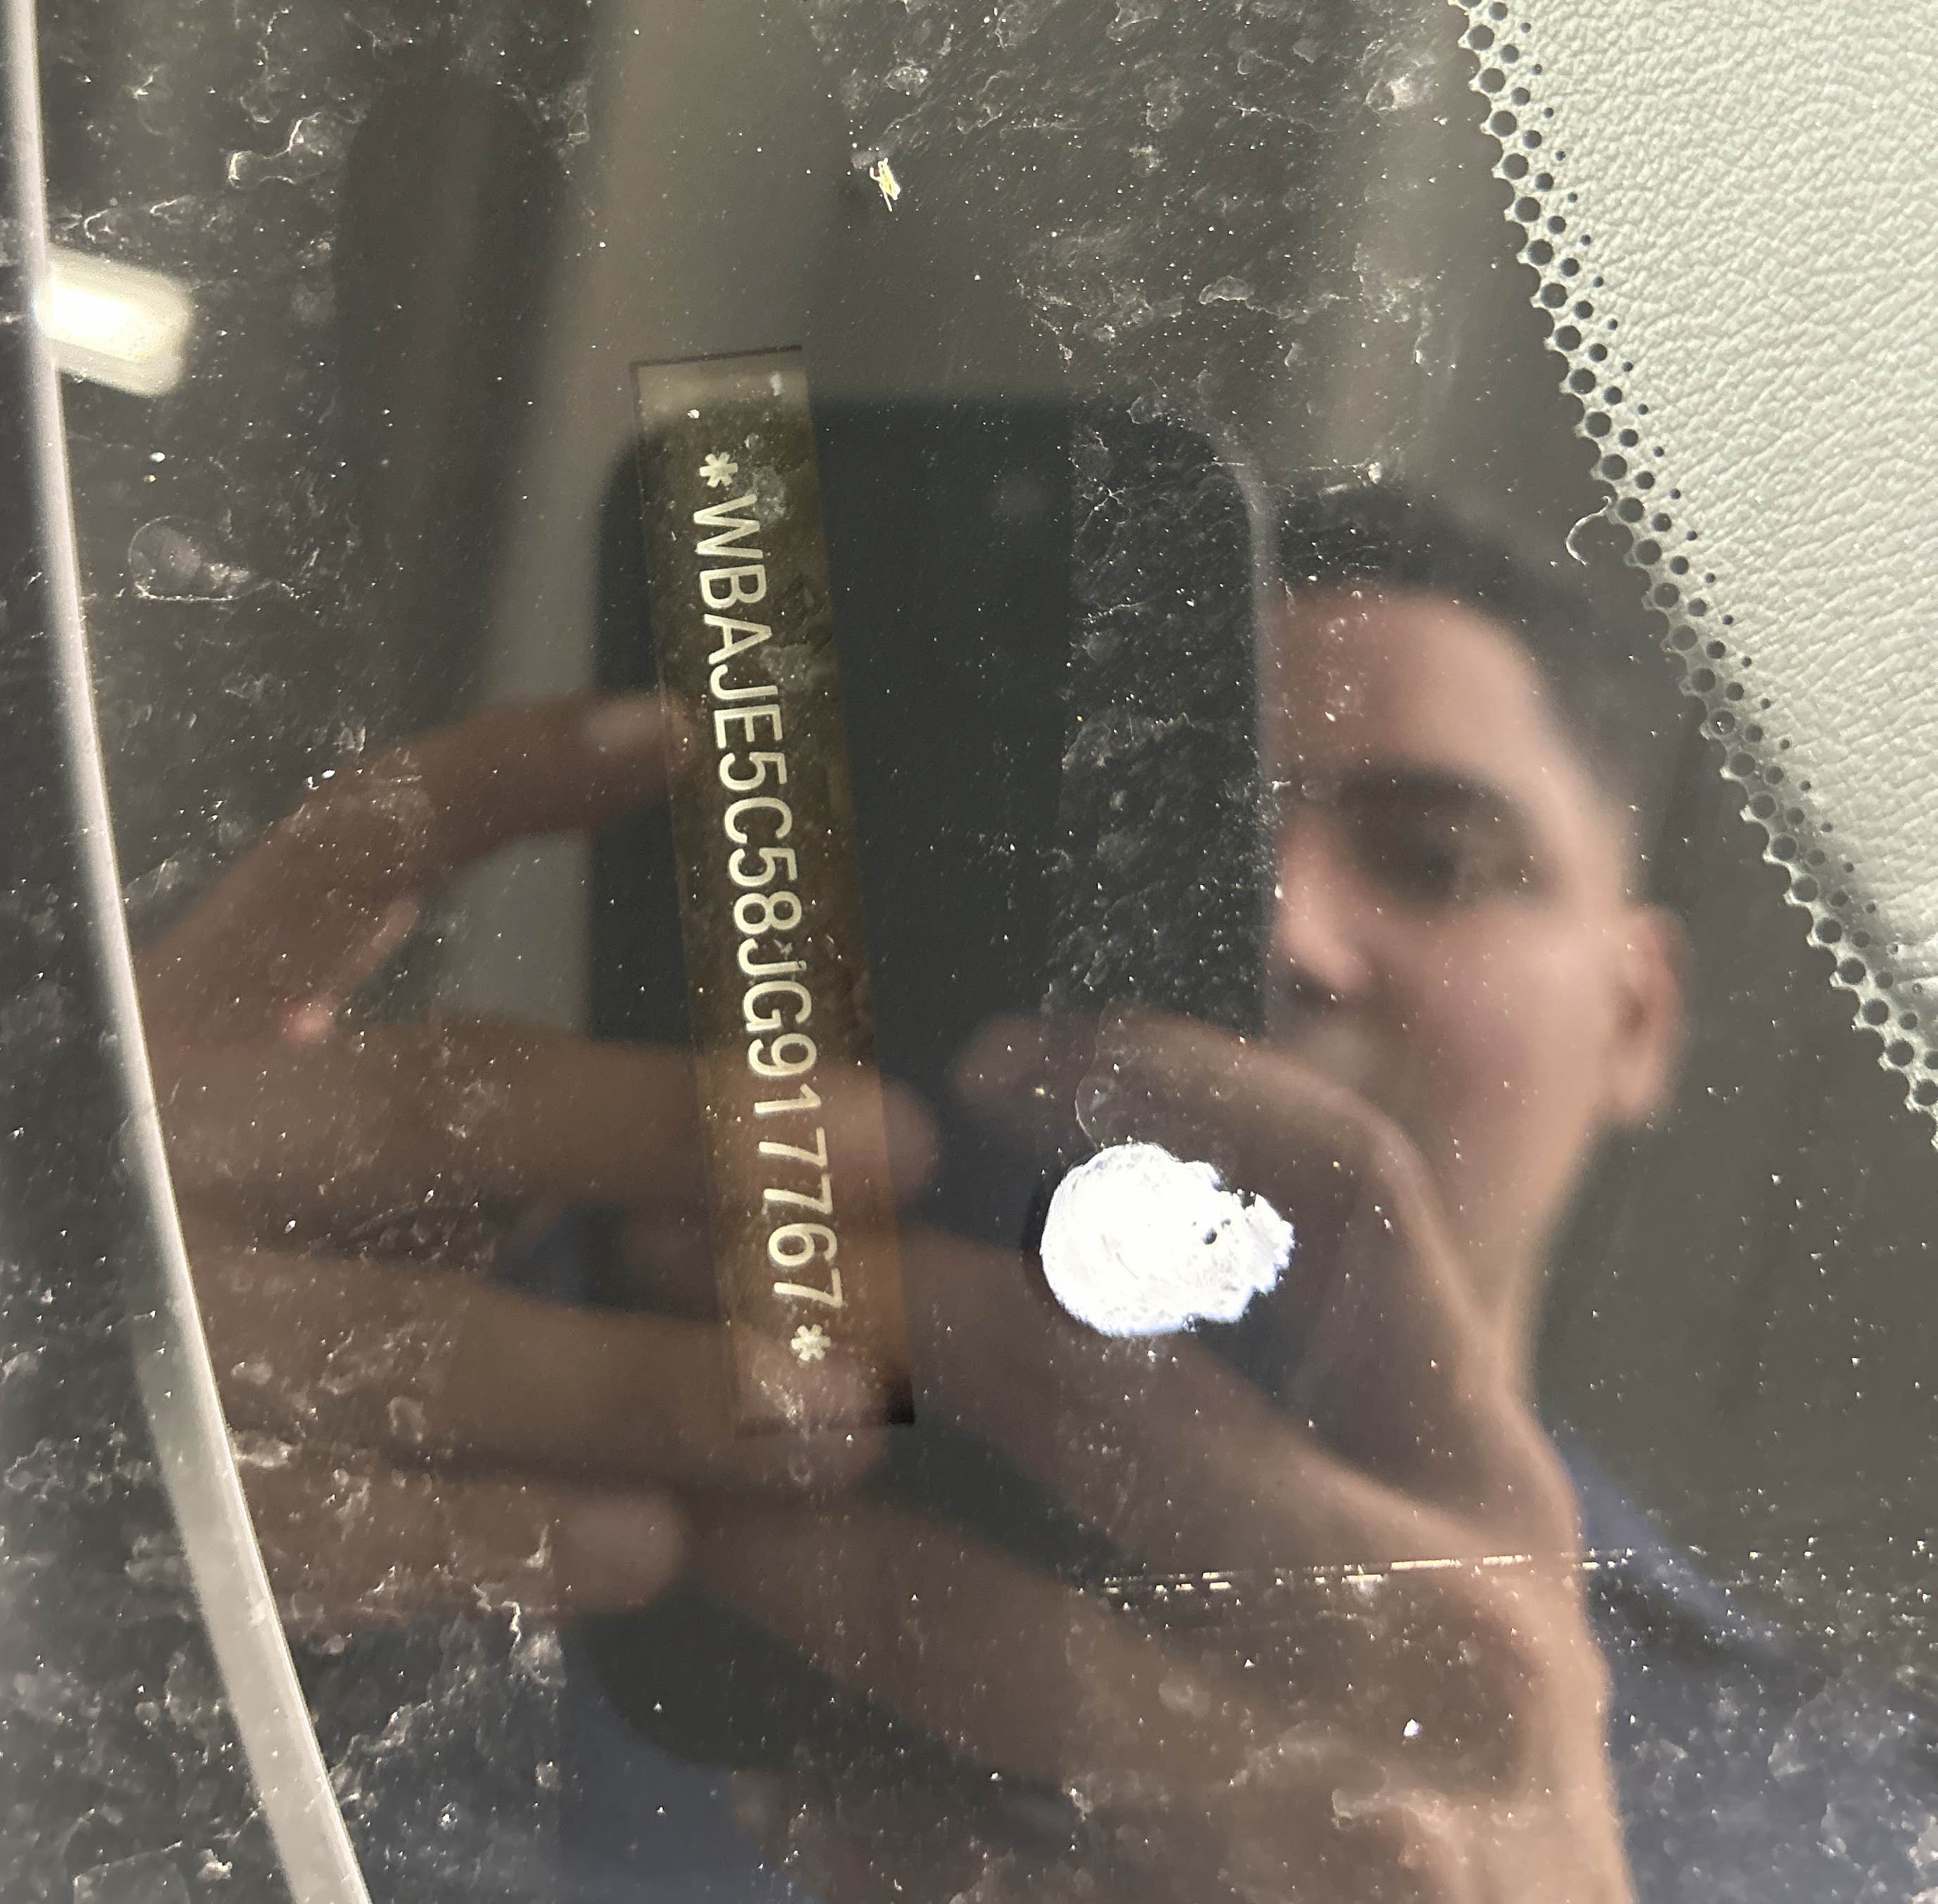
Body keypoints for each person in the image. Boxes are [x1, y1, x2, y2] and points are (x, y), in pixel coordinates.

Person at [143, 480, 1938, 1899]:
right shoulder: (436, 1446)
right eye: (1183, 843)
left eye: (1436, 858)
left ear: (1639, 1014)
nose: (1287, 933)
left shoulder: (1852, 1818)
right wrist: (83, 1399)